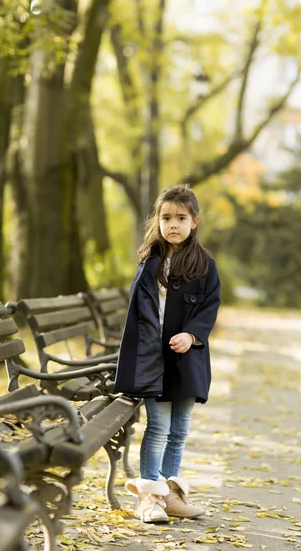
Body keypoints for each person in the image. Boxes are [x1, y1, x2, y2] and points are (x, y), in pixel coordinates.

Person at [114, 184, 221, 523]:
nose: (173, 224)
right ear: (157, 221)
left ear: (195, 221)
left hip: (187, 359)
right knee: (158, 427)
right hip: (153, 360)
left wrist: (191, 335)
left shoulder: (205, 265)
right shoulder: (150, 262)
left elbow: (209, 307)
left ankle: (170, 494)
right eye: (166, 218)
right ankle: (149, 496)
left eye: (181, 218)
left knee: (179, 429)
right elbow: (140, 312)